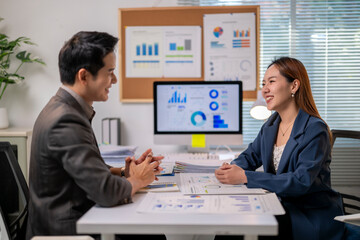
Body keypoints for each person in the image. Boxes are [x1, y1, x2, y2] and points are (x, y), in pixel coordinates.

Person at [26, 31, 165, 240]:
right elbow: (106, 193)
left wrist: (121, 172)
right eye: (110, 72)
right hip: (68, 231)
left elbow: (84, 170)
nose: (115, 80)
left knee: (150, 234)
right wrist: (138, 179)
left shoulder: (65, 108)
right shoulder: (65, 120)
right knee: (152, 234)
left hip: (74, 219)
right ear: (83, 76)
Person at [215, 57, 345, 240]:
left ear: (294, 86)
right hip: (279, 204)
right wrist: (231, 168)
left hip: (308, 213)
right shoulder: (272, 124)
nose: (265, 89)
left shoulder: (315, 129)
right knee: (231, 220)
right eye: (263, 83)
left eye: (272, 81)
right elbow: (250, 156)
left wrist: (245, 176)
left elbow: (300, 182)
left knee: (247, 223)